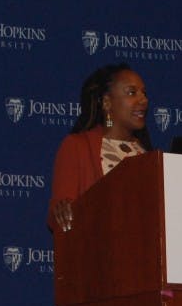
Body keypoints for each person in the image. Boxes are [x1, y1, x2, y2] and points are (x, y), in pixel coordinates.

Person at [47, 63, 151, 232]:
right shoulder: (77, 146)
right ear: (107, 102)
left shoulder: (148, 155)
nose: (143, 100)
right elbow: (58, 214)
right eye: (132, 93)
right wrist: (63, 211)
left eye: (144, 93)